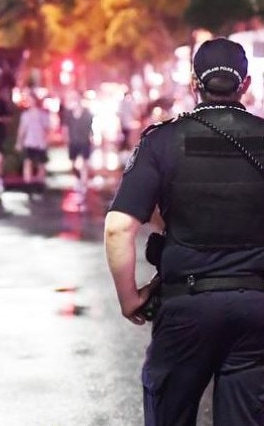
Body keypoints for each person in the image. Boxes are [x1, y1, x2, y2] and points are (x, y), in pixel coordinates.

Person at [104, 37, 264, 426]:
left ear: (195, 82)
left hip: (186, 307)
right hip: (256, 309)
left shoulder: (163, 141)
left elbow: (118, 228)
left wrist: (130, 297)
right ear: (244, 84)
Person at [60, 90, 94, 195]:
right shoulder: (68, 113)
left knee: (85, 163)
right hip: (73, 141)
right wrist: (65, 138)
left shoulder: (87, 112)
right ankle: (78, 179)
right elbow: (65, 127)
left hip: (84, 141)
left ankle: (83, 184)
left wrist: (92, 138)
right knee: (73, 163)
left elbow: (90, 127)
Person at [15, 92, 51, 191]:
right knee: (28, 162)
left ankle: (40, 183)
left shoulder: (43, 114)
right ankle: (28, 183)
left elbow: (47, 129)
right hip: (29, 141)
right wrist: (19, 142)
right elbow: (22, 129)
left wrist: (46, 140)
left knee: (41, 163)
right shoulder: (25, 115)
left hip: (40, 142)